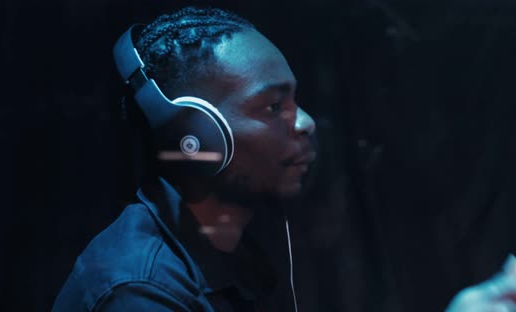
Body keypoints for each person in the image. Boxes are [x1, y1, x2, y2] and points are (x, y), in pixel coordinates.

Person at [52, 6, 516, 312]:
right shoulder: (140, 292)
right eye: (274, 107)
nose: (306, 123)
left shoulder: (228, 252)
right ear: (196, 136)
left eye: (296, 101)